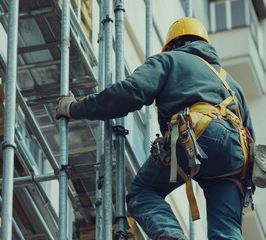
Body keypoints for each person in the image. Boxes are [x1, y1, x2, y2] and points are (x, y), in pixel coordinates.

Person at [55, 17, 255, 240]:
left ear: (172, 44)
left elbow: (130, 92)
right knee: (226, 231)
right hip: (236, 158)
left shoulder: (169, 60)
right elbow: (250, 137)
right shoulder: (232, 84)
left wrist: (75, 108)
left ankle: (171, 236)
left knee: (142, 192)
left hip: (198, 134)